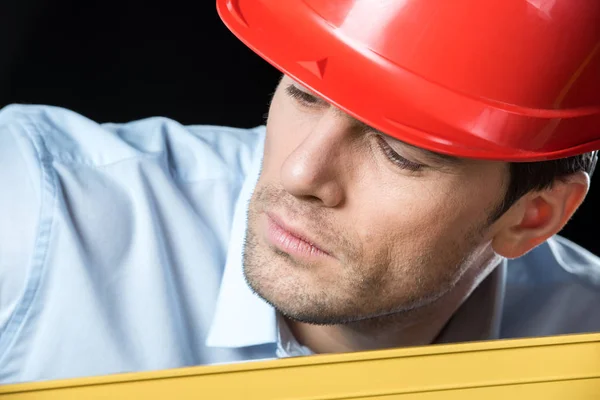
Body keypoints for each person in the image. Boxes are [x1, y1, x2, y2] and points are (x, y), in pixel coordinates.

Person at [1, 0, 599, 384]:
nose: (299, 175)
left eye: (399, 152)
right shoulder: (37, 208)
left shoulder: (586, 344)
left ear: (533, 216)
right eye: (304, 94)